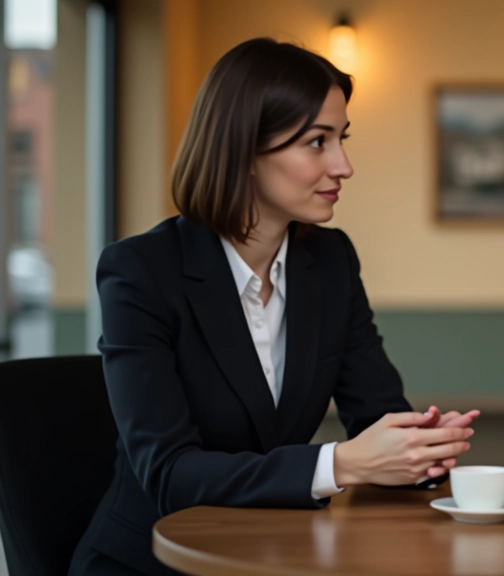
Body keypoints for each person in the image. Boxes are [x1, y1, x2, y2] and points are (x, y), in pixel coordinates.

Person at [69, 38, 477, 575]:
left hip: (270, 550)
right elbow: (171, 475)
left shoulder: (330, 262)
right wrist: (341, 462)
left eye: (341, 139)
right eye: (317, 142)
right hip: (150, 561)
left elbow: (375, 414)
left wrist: (418, 449)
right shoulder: (141, 271)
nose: (344, 165)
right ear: (244, 153)